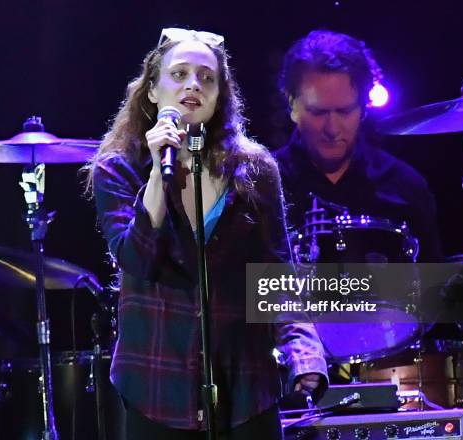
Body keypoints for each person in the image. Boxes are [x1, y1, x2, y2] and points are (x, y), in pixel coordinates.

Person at [85, 28, 327, 439]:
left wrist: (303, 352)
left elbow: (278, 275)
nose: (193, 85)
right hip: (157, 386)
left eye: (206, 77)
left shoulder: (255, 170)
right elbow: (137, 259)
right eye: (178, 74)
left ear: (219, 97)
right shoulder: (118, 168)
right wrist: (160, 178)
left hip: (246, 387)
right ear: (151, 91)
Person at [274, 30, 442, 263]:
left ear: (363, 108)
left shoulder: (405, 186)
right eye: (318, 112)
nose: (332, 129)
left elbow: (432, 289)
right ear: (292, 104)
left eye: (344, 111)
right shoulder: (262, 187)